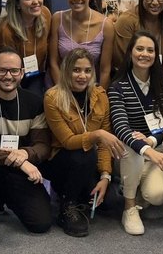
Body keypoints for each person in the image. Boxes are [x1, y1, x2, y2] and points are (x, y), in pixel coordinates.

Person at [42, 48, 125, 237]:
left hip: (90, 159)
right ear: (66, 71)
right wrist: (97, 134)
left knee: (110, 201)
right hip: (62, 160)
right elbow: (68, 141)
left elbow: (105, 143)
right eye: (76, 70)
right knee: (84, 154)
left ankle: (81, 192)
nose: (82, 76)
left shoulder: (100, 95)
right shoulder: (53, 97)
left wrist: (105, 176)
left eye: (87, 70)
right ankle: (68, 204)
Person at [0, 48, 52, 238]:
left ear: (22, 73)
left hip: (16, 170)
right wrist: (22, 162)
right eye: (2, 70)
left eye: (14, 71)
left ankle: (3, 196)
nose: (8, 76)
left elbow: (43, 145)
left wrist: (26, 154)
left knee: (40, 223)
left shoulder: (34, 102)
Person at [108, 31, 163, 235]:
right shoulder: (117, 87)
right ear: (130, 53)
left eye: (150, 50)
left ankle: (136, 192)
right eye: (139, 49)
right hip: (129, 154)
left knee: (157, 195)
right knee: (131, 143)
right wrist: (147, 149)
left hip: (157, 151)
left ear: (156, 55)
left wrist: (153, 141)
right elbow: (120, 127)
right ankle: (129, 207)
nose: (145, 54)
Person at [48, 0, 114, 89]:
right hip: (62, 87)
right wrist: (64, 92)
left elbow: (105, 70)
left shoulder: (106, 25)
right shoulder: (58, 19)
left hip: (91, 88)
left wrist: (97, 97)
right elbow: (53, 63)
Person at [0, 0, 51, 95]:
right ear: (17, 4)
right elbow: (6, 67)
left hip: (39, 74)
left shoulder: (46, 14)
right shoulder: (6, 29)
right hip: (14, 77)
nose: (36, 2)